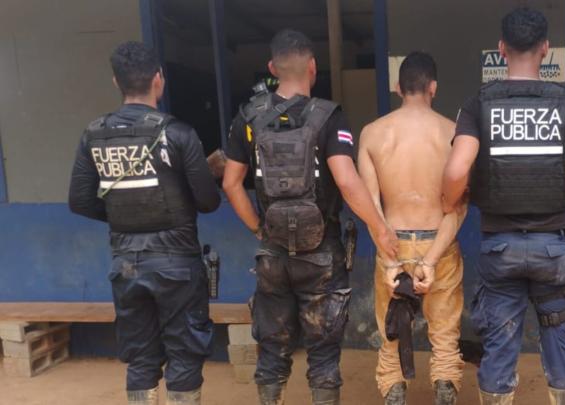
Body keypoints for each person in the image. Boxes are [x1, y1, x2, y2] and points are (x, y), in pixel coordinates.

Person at [221, 29, 398, 405]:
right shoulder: (329, 117)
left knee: (272, 349)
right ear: (313, 67)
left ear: (272, 68)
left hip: (273, 254)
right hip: (322, 254)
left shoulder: (248, 117)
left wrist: (258, 228)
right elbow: (347, 182)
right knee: (323, 354)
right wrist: (380, 228)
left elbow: (231, 183)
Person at [442, 8, 565, 405]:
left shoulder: (478, 105)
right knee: (562, 347)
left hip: (501, 249)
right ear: (545, 48)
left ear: (501, 49)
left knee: (499, 349)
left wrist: (449, 201)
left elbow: (457, 169)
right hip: (556, 249)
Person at [68, 41, 220, 405]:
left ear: (116, 82)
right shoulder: (178, 133)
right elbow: (208, 202)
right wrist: (208, 172)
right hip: (177, 265)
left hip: (126, 265)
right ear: (158, 79)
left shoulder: (94, 135)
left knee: (141, 356)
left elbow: (80, 201)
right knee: (184, 353)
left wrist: (125, 215)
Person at [357, 51, 466, 405]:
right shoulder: (454, 134)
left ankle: (394, 394)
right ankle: (445, 391)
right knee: (445, 335)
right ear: (433, 87)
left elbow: (371, 206)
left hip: (392, 242)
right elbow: (458, 206)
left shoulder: (372, 134)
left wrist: (391, 262)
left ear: (397, 87)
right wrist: (431, 259)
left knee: (390, 332)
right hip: (440, 244)